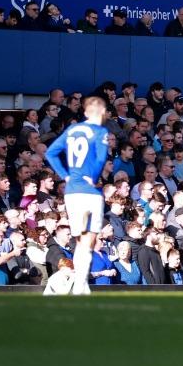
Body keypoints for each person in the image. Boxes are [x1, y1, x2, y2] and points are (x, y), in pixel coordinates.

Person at [43, 93, 112, 295]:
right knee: (89, 239)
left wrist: (65, 175)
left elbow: (50, 153)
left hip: (72, 191)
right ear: (101, 112)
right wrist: (94, 175)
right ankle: (81, 283)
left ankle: (81, 284)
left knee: (80, 239)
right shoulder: (100, 132)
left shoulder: (72, 129)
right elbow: (100, 158)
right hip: (90, 191)